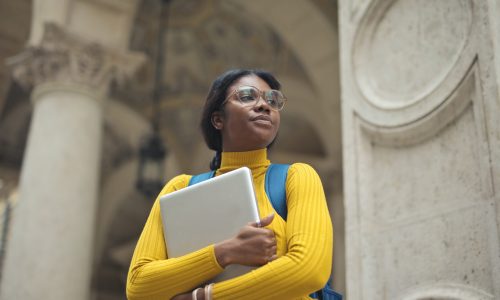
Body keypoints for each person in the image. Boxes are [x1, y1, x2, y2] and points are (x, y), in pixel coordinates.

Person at [126, 69, 333, 300]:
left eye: (272, 100)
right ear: (218, 119)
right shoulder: (180, 188)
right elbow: (139, 286)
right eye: (247, 96)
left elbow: (309, 271)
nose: (264, 105)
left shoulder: (297, 177)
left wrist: (204, 297)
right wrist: (225, 252)